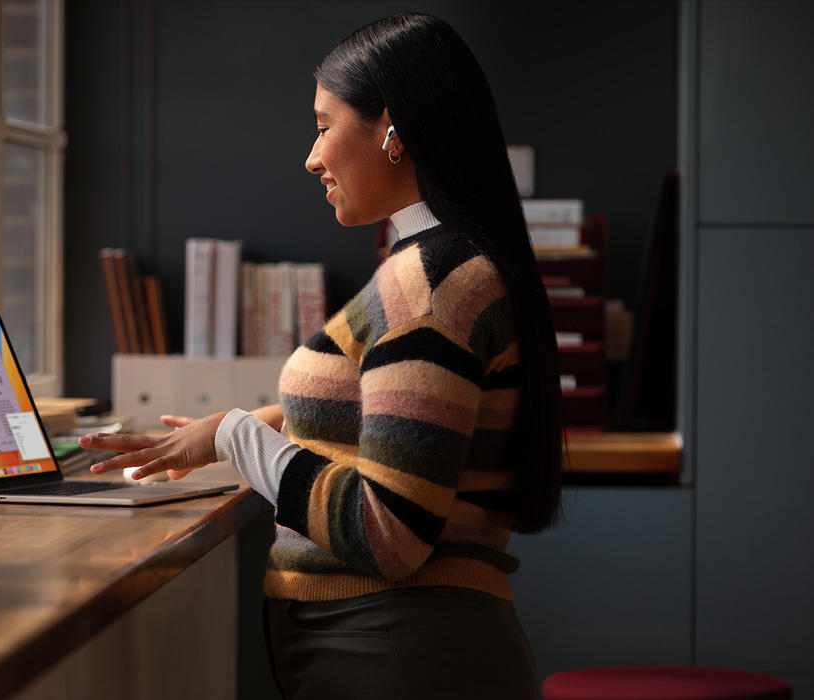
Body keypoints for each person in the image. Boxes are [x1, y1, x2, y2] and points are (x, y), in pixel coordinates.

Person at [80, 11, 563, 699]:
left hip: (402, 654)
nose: (311, 157)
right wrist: (220, 435)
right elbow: (378, 413)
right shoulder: (433, 268)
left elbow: (389, 533)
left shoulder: (429, 290)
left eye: (324, 124)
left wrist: (236, 434)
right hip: (396, 648)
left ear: (392, 130)